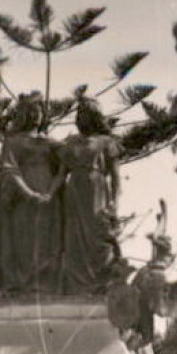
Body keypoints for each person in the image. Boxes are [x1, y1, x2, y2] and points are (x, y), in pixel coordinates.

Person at [0, 94, 61, 295]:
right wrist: (28, 193)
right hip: (22, 198)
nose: (36, 115)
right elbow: (10, 170)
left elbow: (65, 165)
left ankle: (44, 286)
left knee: (46, 240)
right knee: (23, 241)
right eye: (31, 111)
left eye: (39, 111)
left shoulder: (51, 144)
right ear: (24, 115)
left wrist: (51, 190)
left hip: (48, 196)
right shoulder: (13, 142)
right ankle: (21, 286)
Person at [52, 101, 124, 294]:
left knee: (98, 238)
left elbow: (116, 178)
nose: (80, 117)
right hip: (74, 193)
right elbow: (60, 175)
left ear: (94, 116)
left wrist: (114, 204)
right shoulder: (71, 143)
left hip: (97, 192)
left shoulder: (107, 142)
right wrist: (46, 195)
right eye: (78, 113)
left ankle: (100, 286)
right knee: (73, 240)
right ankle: (77, 290)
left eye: (84, 113)